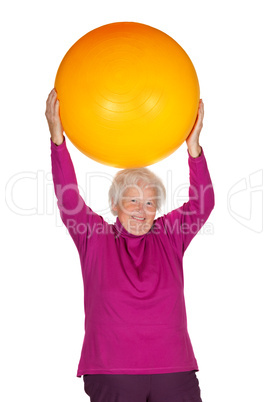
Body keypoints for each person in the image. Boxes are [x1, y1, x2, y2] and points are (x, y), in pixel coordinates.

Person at [45, 88, 215, 402]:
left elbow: (202, 204)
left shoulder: (169, 235)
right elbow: (68, 198)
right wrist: (58, 143)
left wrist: (194, 149)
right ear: (116, 204)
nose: (142, 209)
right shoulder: (93, 236)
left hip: (174, 371)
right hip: (112, 371)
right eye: (133, 200)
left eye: (150, 202)